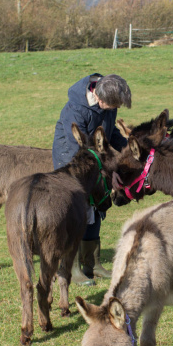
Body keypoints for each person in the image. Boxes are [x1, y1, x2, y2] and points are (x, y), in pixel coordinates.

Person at [52, 73, 132, 285]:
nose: (113, 110)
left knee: (97, 203)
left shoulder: (109, 98)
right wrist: (107, 170)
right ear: (99, 98)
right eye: (111, 107)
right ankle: (72, 267)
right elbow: (77, 145)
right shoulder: (76, 109)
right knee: (78, 209)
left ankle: (92, 264)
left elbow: (110, 131)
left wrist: (128, 149)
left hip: (95, 156)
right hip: (73, 156)